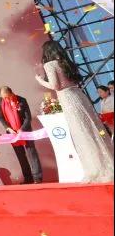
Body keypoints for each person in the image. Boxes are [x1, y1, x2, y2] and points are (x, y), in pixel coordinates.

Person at [35, 41, 114, 183]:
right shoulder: (67, 62)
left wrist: (40, 80)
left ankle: (95, 168)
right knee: (94, 128)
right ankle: (108, 163)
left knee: (82, 132)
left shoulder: (50, 65)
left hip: (67, 99)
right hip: (79, 95)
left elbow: (55, 86)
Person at [0, 87, 44, 184]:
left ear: (12, 93)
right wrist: (8, 128)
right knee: (21, 156)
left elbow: (28, 117)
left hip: (25, 131)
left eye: (8, 97)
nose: (6, 99)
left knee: (31, 153)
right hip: (12, 133)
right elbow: (1, 118)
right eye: (4, 97)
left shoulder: (22, 100)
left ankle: (37, 178)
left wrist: (21, 129)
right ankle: (28, 178)